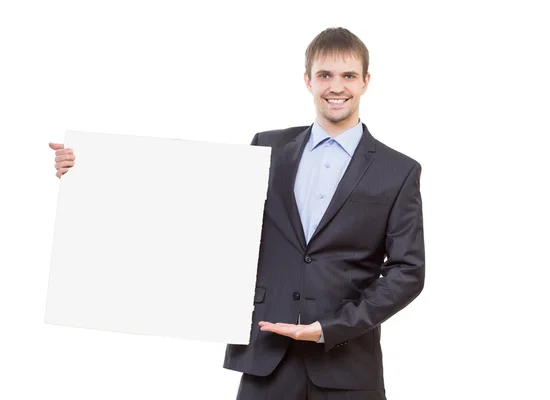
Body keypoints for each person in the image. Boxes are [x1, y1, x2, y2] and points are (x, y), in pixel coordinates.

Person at [49, 27, 425, 400]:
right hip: (266, 360)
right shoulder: (268, 146)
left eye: (348, 76)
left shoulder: (398, 170)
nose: (336, 86)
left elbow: (407, 272)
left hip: (347, 365)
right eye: (325, 75)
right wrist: (89, 173)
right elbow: (197, 211)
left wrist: (329, 327)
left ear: (366, 81)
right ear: (307, 80)